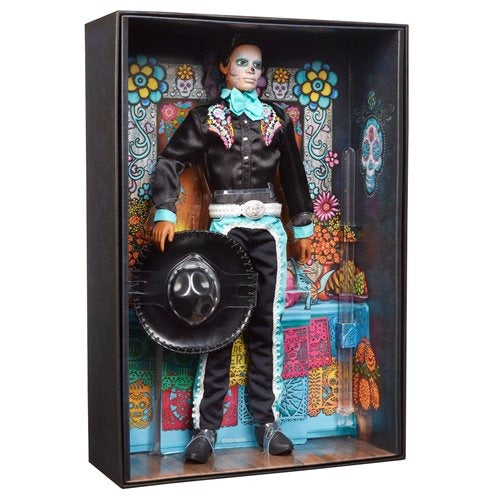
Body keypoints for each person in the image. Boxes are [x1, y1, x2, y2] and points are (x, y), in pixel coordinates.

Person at [152, 36, 313, 463]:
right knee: (219, 327)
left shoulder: (276, 119)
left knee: (266, 327)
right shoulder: (205, 118)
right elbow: (170, 161)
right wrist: (165, 211)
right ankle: (205, 428)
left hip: (269, 232)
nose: (250, 71)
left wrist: (303, 226)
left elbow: (294, 175)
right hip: (225, 231)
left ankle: (268, 422)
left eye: (257, 65)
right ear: (224, 66)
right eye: (242, 62)